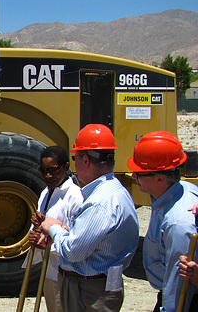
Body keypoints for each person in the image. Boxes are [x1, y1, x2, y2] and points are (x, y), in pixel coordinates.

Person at [40, 124, 139, 312]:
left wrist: (54, 227)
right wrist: (69, 232)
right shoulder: (117, 192)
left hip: (89, 290)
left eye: (75, 158)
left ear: (85, 159)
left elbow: (73, 252)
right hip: (97, 286)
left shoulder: (99, 202)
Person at [128, 131, 198, 312]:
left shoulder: (178, 223)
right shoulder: (179, 191)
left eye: (138, 173)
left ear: (160, 178)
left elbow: (179, 285)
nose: (134, 177)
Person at [26, 146, 83, 312]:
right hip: (49, 270)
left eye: (54, 170)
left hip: (66, 272)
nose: (48, 176)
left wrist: (49, 244)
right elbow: (41, 227)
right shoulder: (45, 192)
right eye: (44, 171)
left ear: (66, 167)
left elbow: (76, 239)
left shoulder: (75, 196)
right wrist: (36, 227)